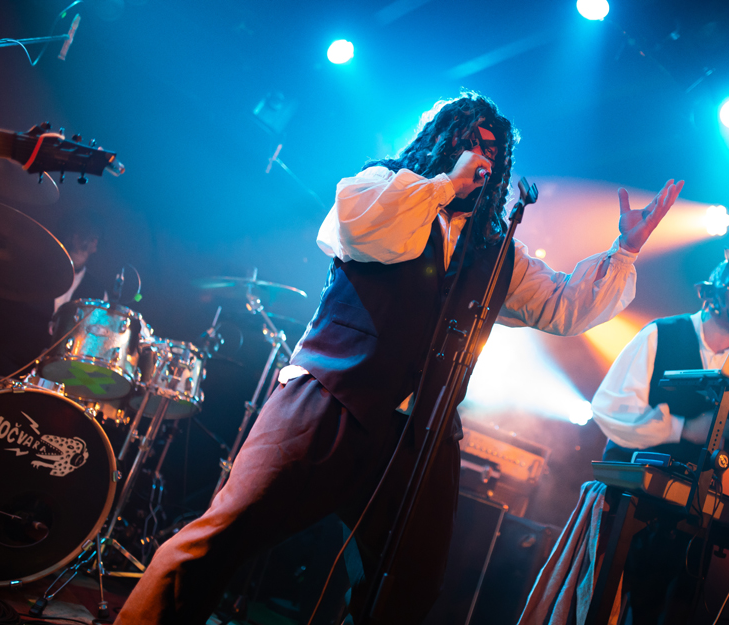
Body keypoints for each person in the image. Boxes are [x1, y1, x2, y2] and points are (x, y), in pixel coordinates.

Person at [114, 92, 684, 625]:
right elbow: (364, 233)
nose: (481, 157)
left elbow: (561, 304)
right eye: (469, 141)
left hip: (420, 432)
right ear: (441, 142)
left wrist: (625, 249)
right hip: (331, 398)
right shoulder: (383, 187)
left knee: (410, 587)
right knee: (221, 539)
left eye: (492, 150)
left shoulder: (496, 250)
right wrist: (443, 186)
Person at [590, 249, 729, 622]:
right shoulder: (662, 333)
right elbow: (610, 408)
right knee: (599, 601)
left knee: (657, 612)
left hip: (690, 512)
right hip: (627, 500)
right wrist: (683, 429)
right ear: (712, 290)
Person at [0, 211, 102, 376]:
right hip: (3, 352)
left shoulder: (97, 291)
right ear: (71, 234)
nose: (91, 241)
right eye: (85, 234)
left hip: (49, 372)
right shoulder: (33, 265)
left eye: (94, 237)